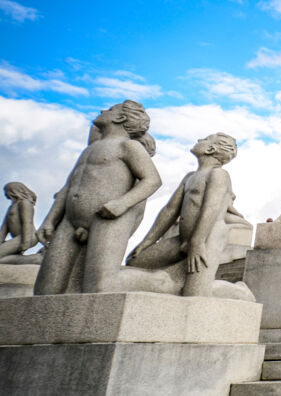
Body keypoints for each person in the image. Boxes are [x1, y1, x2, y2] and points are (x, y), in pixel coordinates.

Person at [34, 101, 162, 295]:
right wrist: (49, 220)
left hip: (108, 219)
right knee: (46, 286)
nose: (103, 110)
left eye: (111, 110)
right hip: (69, 221)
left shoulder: (128, 146)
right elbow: (69, 186)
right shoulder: (90, 150)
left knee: (99, 286)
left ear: (120, 118)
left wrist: (121, 204)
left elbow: (153, 180)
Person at [125, 133, 238, 297]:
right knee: (136, 261)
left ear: (210, 149)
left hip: (208, 238)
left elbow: (211, 208)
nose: (199, 140)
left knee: (196, 293)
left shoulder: (219, 174)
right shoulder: (190, 177)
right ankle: (169, 278)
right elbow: (170, 210)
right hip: (183, 239)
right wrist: (148, 241)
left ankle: (239, 291)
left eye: (204, 139)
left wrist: (197, 242)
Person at [0, 182, 37, 260]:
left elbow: (27, 223)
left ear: (13, 191)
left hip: (28, 236)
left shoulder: (25, 203)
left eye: (6, 191)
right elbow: (4, 229)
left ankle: (36, 259)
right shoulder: (11, 207)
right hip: (18, 238)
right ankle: (31, 259)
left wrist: (25, 242)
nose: (5, 194)